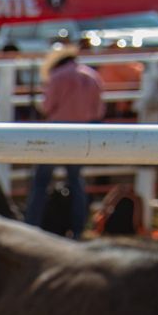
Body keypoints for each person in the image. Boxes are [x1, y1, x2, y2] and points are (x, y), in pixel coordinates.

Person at [26, 42, 104, 239]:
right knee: (76, 181)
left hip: (55, 132)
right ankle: (78, 229)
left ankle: (32, 226)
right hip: (81, 133)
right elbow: (98, 111)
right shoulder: (92, 76)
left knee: (41, 182)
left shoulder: (57, 77)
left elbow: (47, 106)